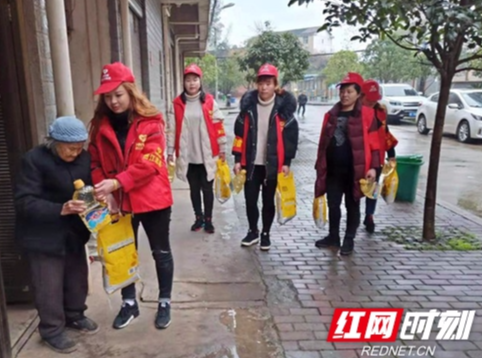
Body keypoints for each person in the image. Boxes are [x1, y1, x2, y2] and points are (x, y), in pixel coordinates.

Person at [89, 62, 174, 330]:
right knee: (123, 251)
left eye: (118, 94)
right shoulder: (99, 126)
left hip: (152, 199)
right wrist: (107, 192)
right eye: (108, 96)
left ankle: (164, 301)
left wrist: (116, 182)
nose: (113, 101)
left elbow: (151, 163)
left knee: (160, 251)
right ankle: (129, 303)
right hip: (118, 201)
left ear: (130, 92)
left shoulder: (151, 121)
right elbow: (94, 163)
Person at [14, 116, 98, 354]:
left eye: (80, 147)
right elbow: (24, 201)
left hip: (73, 231)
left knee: (76, 277)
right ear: (54, 142)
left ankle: (75, 315)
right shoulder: (33, 160)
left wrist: (95, 204)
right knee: (48, 285)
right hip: (42, 234)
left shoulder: (84, 158)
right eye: (70, 148)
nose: (76, 152)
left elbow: (88, 187)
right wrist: (60, 208)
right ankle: (51, 330)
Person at [232, 63, 299, 251]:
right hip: (251, 163)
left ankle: (265, 233)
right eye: (261, 83)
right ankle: (253, 230)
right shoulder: (248, 109)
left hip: (273, 164)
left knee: (268, 202)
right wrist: (237, 160)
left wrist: (287, 163)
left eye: (268, 83)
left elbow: (291, 140)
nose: (264, 87)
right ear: (257, 84)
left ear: (275, 85)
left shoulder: (284, 112)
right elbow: (239, 136)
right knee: (250, 199)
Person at [314, 72, 380, 256]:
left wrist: (373, 167)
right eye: (343, 91)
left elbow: (375, 144)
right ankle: (333, 237)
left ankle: (349, 239)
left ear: (358, 94)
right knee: (333, 203)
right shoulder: (331, 115)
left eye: (349, 91)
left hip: (356, 170)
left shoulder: (367, 115)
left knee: (352, 204)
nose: (345, 95)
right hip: (334, 170)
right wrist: (320, 165)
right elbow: (322, 143)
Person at [167, 64, 226, 233]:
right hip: (188, 155)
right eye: (188, 80)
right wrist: (170, 151)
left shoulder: (209, 102)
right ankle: (198, 218)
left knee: (207, 189)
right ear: (183, 82)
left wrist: (222, 148)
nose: (192, 83)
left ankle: (208, 220)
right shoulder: (177, 104)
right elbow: (171, 129)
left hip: (207, 154)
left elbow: (218, 126)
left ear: (200, 81)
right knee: (194, 189)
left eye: (195, 79)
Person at [361, 79, 398, 233]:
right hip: (359, 159)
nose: (372, 102)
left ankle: (370, 215)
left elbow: (385, 134)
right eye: (369, 99)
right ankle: (354, 217)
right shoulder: (354, 112)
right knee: (357, 190)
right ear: (361, 96)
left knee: (373, 189)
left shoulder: (380, 113)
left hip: (376, 159)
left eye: (374, 99)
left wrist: (391, 155)